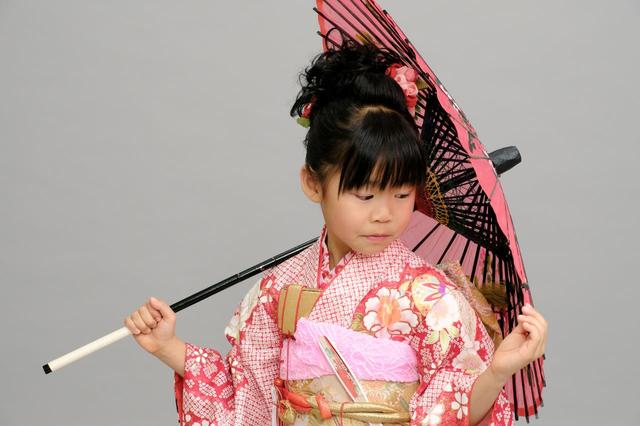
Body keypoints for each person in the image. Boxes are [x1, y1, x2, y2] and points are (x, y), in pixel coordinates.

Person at [124, 40, 547, 426]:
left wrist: (496, 372)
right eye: (365, 195)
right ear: (313, 184)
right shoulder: (278, 289)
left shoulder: (434, 299)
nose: (384, 214)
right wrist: (167, 347)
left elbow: (455, 409)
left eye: (402, 194)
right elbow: (248, 401)